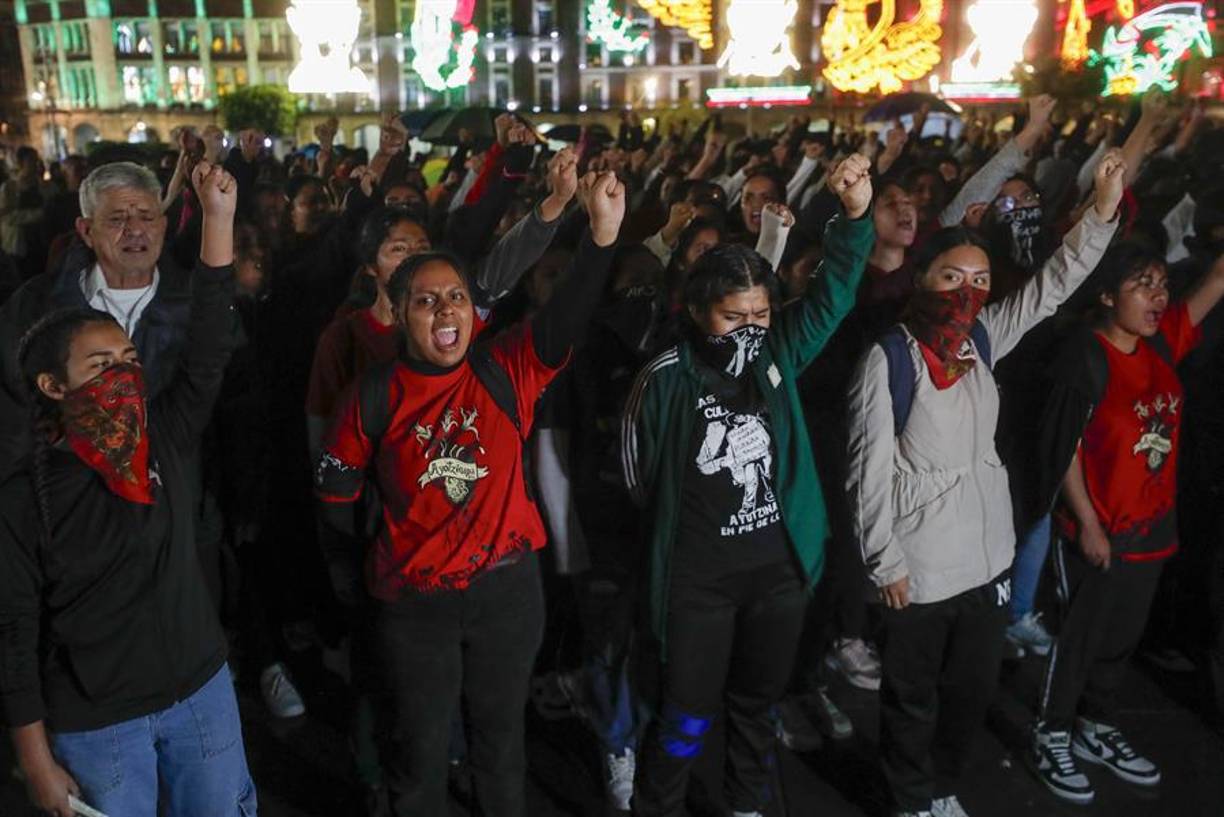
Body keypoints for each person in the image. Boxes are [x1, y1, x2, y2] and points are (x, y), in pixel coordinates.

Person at [314, 169, 625, 817]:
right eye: (425, 300)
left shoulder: (505, 363)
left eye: (455, 296)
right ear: (398, 313)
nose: (445, 309)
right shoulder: (371, 395)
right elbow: (336, 500)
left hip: (506, 594)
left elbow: (567, 311)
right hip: (414, 604)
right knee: (420, 754)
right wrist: (355, 576)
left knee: (500, 746)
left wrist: (601, 235)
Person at [845, 150, 1125, 817]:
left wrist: (1104, 209)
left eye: (980, 277)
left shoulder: (984, 340)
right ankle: (911, 794)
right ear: (923, 278)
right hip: (918, 566)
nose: (967, 291)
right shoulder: (887, 360)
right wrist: (884, 560)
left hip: (988, 556)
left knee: (968, 690)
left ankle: (941, 786)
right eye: (952, 275)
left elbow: (1054, 283)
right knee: (912, 694)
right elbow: (866, 471)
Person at [0, 160, 257, 817]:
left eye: (130, 363)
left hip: (198, 692)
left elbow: (206, 352)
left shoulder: (164, 438)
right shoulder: (27, 499)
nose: (121, 378)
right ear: (52, 386)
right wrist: (34, 756)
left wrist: (220, 221)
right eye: (100, 365)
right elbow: (15, 632)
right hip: (99, 721)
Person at [621, 154, 875, 817]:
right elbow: (638, 477)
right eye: (734, 317)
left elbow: (834, 293)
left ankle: (744, 804)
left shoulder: (779, 353)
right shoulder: (666, 376)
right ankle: (660, 804)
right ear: (698, 309)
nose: (751, 330)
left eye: (761, 315)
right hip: (698, 581)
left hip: (776, 576)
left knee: (756, 709)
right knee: (685, 714)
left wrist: (853, 218)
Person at [1029, 240, 1224, 805]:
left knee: (1121, 639)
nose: (1159, 296)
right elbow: (1065, 448)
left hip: (1151, 530)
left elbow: (1214, 280)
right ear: (1109, 295)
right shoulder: (1085, 356)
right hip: (1098, 528)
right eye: (1143, 285)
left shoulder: (1162, 344)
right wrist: (1087, 521)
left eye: (1162, 284)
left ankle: (1096, 724)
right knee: (1080, 639)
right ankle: (1052, 732)